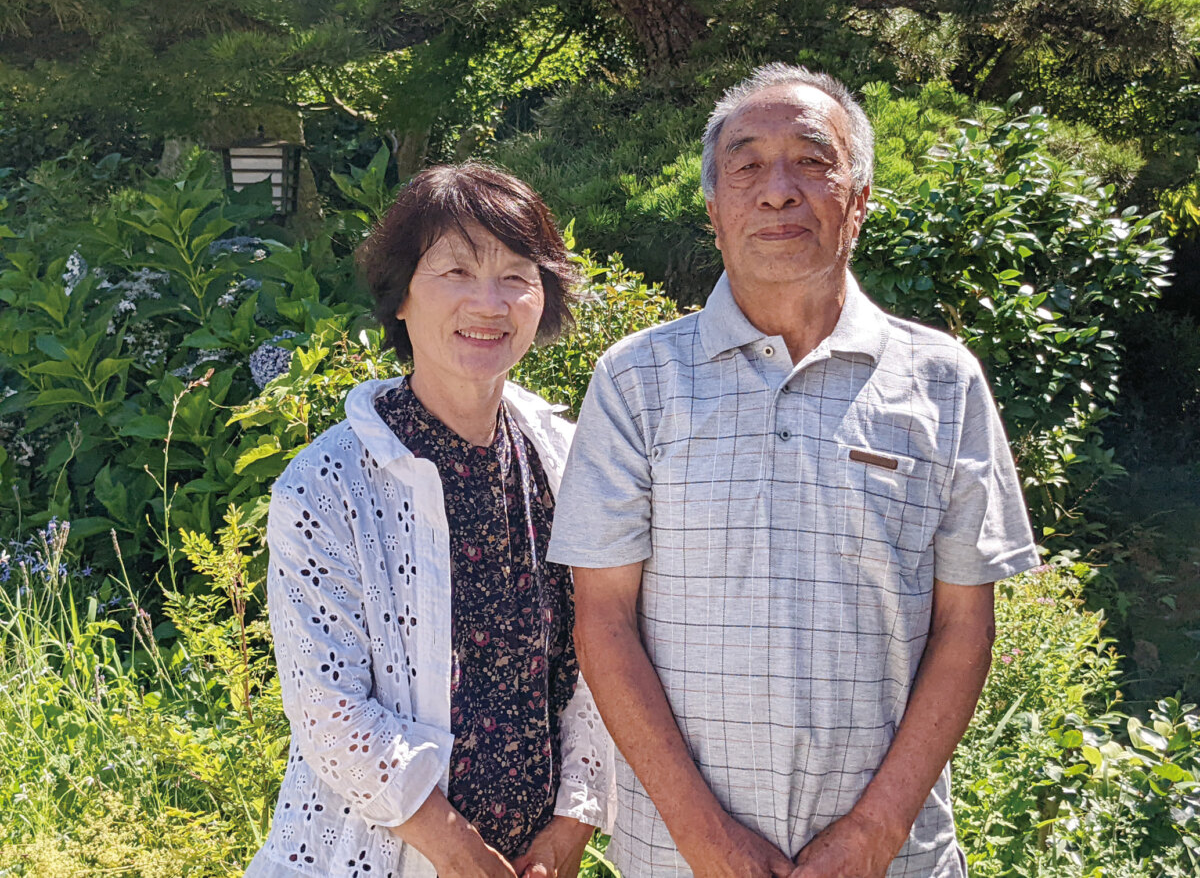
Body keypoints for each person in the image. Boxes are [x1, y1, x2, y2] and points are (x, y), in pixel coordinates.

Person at [547, 63, 1040, 878]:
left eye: (812, 161)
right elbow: (603, 624)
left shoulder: (942, 380)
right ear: (713, 212)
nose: (777, 191)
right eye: (746, 166)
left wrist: (876, 833)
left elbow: (964, 628)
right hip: (679, 859)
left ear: (859, 200)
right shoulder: (637, 380)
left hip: (896, 860)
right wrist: (706, 840)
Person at [245, 162, 614, 878]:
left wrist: (575, 819)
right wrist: (456, 851)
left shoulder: (568, 459)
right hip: (376, 856)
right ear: (401, 298)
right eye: (455, 272)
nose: (489, 302)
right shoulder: (329, 484)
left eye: (516, 275)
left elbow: (601, 654)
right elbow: (328, 709)